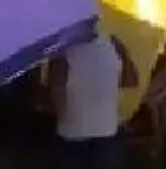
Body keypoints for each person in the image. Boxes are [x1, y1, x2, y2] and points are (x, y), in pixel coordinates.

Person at [48, 26, 126, 169]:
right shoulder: (113, 43)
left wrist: (62, 119)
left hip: (73, 133)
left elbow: (56, 89)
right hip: (106, 131)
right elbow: (131, 80)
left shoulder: (62, 49)